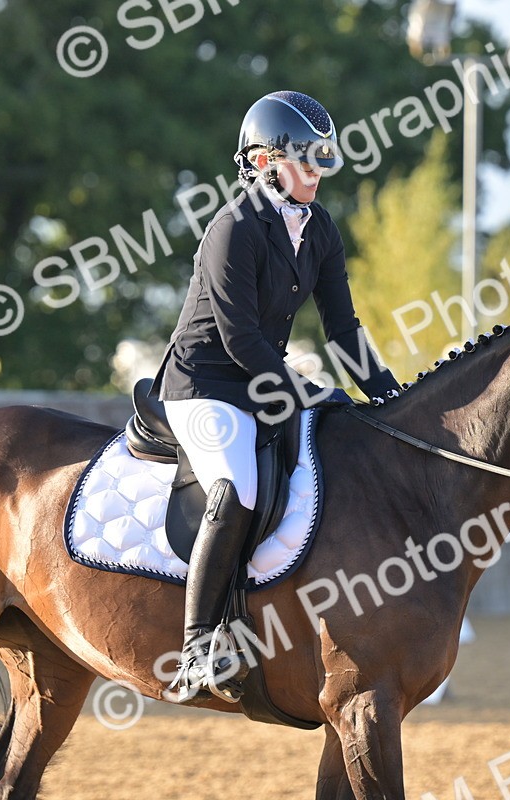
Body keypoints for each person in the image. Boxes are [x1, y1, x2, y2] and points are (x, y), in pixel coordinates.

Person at [157, 90, 401, 702]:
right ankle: (195, 647)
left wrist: (391, 398)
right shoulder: (232, 229)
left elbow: (343, 333)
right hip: (206, 385)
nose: (318, 174)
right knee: (237, 485)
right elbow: (239, 339)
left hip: (260, 383)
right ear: (266, 161)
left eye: (323, 161)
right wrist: (305, 392)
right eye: (308, 161)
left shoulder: (317, 228)